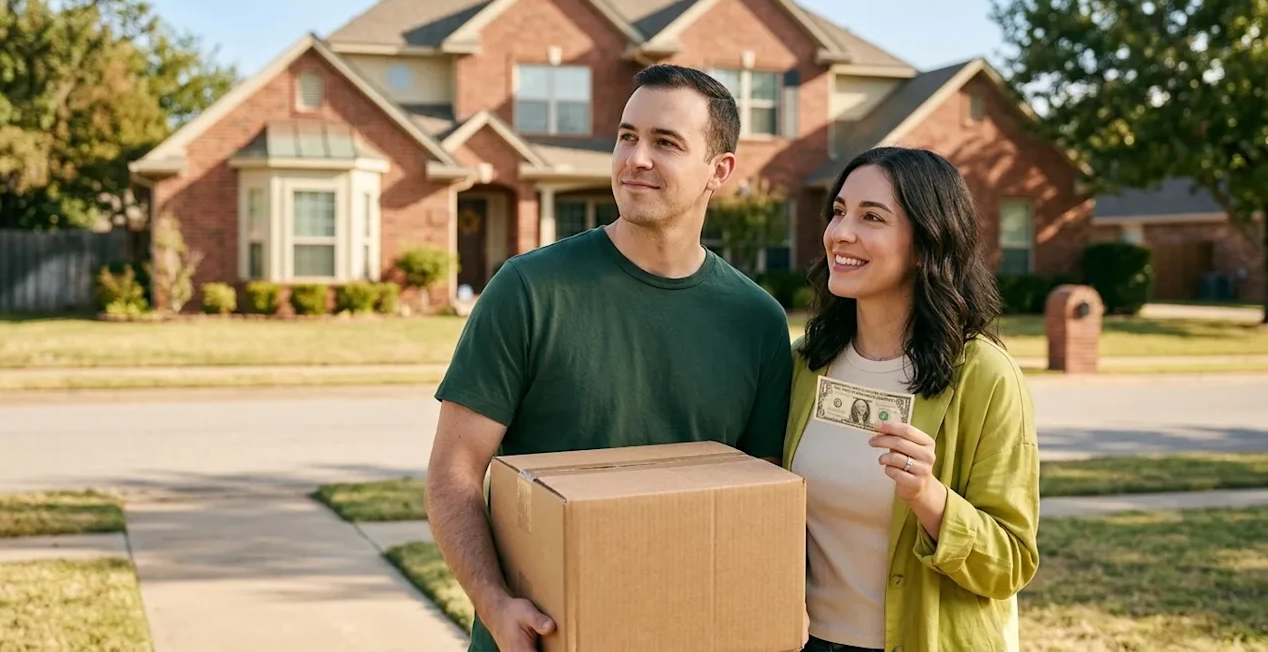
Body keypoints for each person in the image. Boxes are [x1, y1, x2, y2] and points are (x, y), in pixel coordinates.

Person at [424, 63, 793, 652]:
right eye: (627, 136)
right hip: (541, 639)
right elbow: (453, 473)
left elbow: (760, 500)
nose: (635, 158)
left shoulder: (758, 322)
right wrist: (495, 606)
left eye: (665, 143)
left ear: (718, 171)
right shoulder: (529, 290)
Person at [783, 146, 1039, 652]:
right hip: (809, 641)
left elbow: (1010, 563)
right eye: (838, 212)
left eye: (871, 217)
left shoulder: (985, 377)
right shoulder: (805, 364)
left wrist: (929, 496)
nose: (841, 233)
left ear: (925, 244)